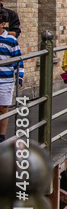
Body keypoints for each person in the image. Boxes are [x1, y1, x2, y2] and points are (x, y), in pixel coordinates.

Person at [0, 10, 24, 143]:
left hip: (5, 80)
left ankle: (1, 137)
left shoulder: (11, 40)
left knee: (3, 108)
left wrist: (19, 77)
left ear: (3, 24)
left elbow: (18, 60)